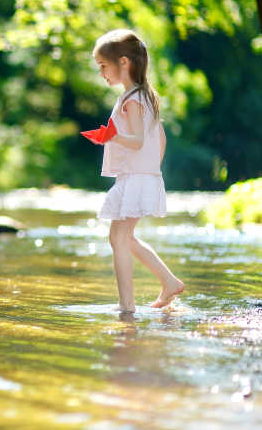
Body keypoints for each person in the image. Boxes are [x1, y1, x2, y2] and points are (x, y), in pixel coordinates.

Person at [84, 29, 185, 313]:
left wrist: (110, 137)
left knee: (119, 238)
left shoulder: (133, 100)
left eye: (103, 66)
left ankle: (127, 306)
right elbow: (160, 139)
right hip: (140, 177)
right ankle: (169, 282)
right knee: (122, 237)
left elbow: (139, 140)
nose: (101, 72)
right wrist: (150, 170)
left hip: (137, 178)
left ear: (124, 62)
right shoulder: (142, 96)